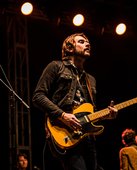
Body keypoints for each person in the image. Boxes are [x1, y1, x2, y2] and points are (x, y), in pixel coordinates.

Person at [32, 32, 118, 170]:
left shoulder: (91, 79)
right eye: (82, 42)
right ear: (70, 48)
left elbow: (90, 111)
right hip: (63, 130)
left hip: (87, 136)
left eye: (88, 42)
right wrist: (63, 115)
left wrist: (106, 115)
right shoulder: (56, 67)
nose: (87, 44)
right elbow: (38, 96)